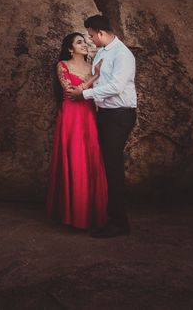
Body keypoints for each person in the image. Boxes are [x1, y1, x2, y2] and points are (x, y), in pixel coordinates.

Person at [64, 14, 137, 238]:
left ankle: (119, 223)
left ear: (101, 33)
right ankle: (106, 216)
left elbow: (116, 86)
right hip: (104, 114)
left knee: (113, 167)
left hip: (120, 115)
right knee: (104, 165)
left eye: (91, 35)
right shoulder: (102, 53)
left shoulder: (123, 54)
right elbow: (97, 78)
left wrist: (84, 94)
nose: (90, 40)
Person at [46, 32, 109, 231]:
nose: (85, 44)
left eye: (86, 41)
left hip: (89, 116)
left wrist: (96, 74)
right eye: (79, 42)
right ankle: (71, 214)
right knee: (74, 158)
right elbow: (71, 92)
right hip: (71, 117)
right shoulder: (62, 65)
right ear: (70, 48)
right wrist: (95, 77)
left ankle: (89, 213)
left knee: (90, 160)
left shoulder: (92, 66)